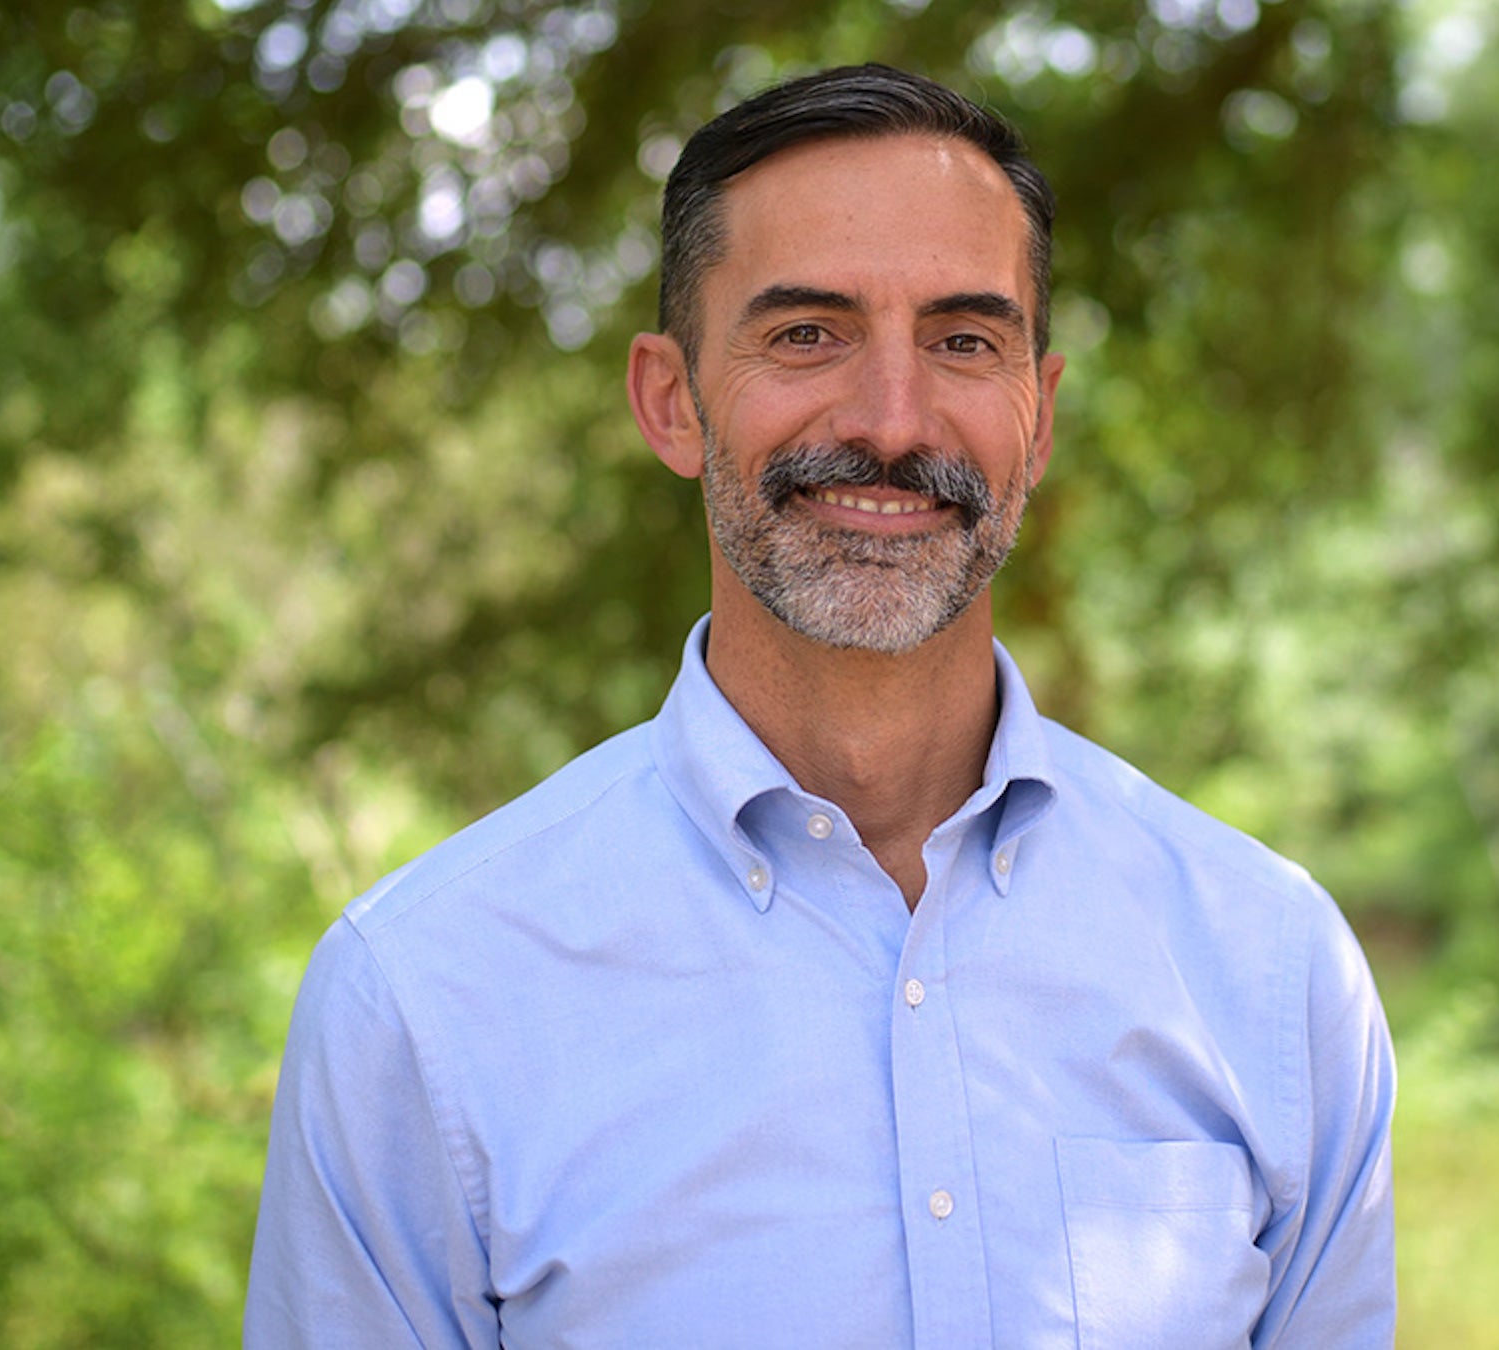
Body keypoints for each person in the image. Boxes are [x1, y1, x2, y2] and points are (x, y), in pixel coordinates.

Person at [245, 64, 1396, 1348]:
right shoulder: (424, 999)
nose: (895, 423)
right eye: (807, 334)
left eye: (966, 341)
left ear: (1041, 411)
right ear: (671, 401)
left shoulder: (1271, 969)